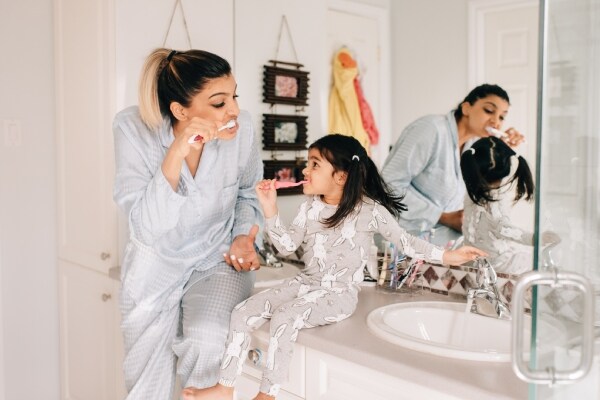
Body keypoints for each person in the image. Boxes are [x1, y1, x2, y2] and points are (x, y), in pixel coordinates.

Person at [182, 134, 486, 400]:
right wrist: (270, 209)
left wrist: (448, 258)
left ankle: (268, 392)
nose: (305, 170)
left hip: (339, 293)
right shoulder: (310, 208)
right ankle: (225, 386)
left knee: (287, 316)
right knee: (242, 311)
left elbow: (406, 243)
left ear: (340, 176)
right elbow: (286, 246)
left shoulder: (370, 211)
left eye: (314, 164)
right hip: (306, 283)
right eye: (307, 163)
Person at [112, 48, 263, 400]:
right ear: (181, 111)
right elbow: (147, 227)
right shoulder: (132, 129)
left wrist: (244, 236)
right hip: (155, 266)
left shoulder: (244, 131)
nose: (235, 111)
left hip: (216, 259)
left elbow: (248, 193)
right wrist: (177, 152)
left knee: (208, 340)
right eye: (219, 103)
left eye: (234, 96)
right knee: (145, 387)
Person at [381, 84, 525, 247]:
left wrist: (503, 148)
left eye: (501, 117)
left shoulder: (474, 145)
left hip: (439, 247)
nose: (495, 121)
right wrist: (442, 216)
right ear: (466, 108)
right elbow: (387, 185)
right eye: (489, 111)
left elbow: (486, 186)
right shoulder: (431, 130)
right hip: (398, 244)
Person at [460, 137, 558, 274]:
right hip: (497, 265)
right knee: (534, 260)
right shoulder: (493, 202)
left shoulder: (471, 193)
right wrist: (535, 238)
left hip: (470, 258)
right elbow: (504, 228)